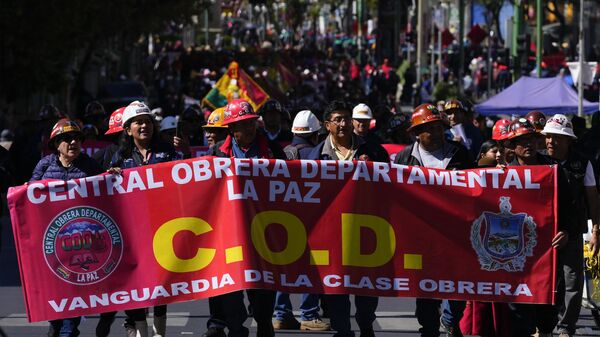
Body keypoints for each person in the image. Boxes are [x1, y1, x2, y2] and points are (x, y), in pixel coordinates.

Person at [205, 99, 285, 337]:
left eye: (251, 123)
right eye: (242, 124)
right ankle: (235, 327)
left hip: (263, 231)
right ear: (231, 129)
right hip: (228, 232)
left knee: (263, 288)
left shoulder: (272, 150)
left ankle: (263, 322)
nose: (249, 128)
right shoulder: (216, 152)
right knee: (229, 285)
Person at [308, 100, 388, 337]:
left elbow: (390, 188)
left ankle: (365, 325)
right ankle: (343, 330)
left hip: (367, 231)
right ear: (327, 125)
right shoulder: (315, 157)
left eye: (346, 119)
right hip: (330, 235)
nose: (343, 124)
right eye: (338, 120)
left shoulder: (374, 151)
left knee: (366, 288)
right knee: (335, 290)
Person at [394, 103, 471, 337]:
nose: (438, 133)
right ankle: (428, 328)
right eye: (431, 128)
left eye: (440, 127)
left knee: (457, 283)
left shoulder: (460, 154)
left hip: (454, 231)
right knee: (425, 285)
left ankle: (450, 320)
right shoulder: (404, 158)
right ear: (417, 133)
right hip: (420, 234)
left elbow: (476, 188)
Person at [504, 118, 577, 337]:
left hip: (548, 249)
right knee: (519, 309)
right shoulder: (503, 173)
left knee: (548, 304)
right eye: (522, 140)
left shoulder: (553, 169)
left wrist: (566, 231)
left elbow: (569, 206)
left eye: (532, 139)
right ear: (512, 146)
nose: (529, 144)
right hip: (516, 250)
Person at [110, 101, 177, 337]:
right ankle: (140, 331)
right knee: (136, 283)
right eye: (138, 122)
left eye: (147, 121)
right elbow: (108, 191)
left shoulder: (167, 151)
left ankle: (160, 332)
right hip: (133, 231)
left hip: (162, 228)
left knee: (161, 282)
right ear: (128, 129)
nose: (143, 126)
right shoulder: (121, 156)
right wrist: (112, 175)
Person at [30, 119, 103, 337]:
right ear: (56, 144)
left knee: (74, 288)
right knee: (54, 287)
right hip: (51, 240)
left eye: (77, 139)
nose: (73, 142)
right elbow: (31, 196)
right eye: (67, 139)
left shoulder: (89, 165)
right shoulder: (44, 165)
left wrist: (113, 175)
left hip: (81, 240)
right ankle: (56, 326)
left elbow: (106, 192)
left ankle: (69, 330)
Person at [541, 114, 600, 337]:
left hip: (573, 233)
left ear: (568, 141)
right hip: (542, 235)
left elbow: (593, 199)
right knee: (545, 282)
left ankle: (566, 328)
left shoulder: (583, 163)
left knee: (572, 283)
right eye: (548, 137)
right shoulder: (538, 162)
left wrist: (596, 230)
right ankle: (544, 326)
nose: (550, 142)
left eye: (556, 137)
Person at [275, 109, 330, 331]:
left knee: (282, 268)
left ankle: (281, 314)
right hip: (311, 221)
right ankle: (308, 314)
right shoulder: (317, 154)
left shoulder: (280, 153)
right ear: (316, 134)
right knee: (312, 267)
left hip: (282, 219)